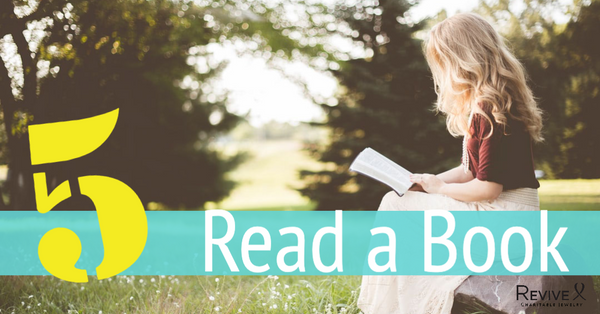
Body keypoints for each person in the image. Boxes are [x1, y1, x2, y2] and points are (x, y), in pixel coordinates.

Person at [357, 12, 544, 314]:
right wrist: (424, 183)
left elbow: (488, 188)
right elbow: (469, 171)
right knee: (404, 199)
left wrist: (440, 188)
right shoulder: (492, 100)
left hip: (505, 215)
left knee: (394, 205)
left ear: (462, 58)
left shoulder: (488, 107)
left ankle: (387, 308)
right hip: (512, 211)